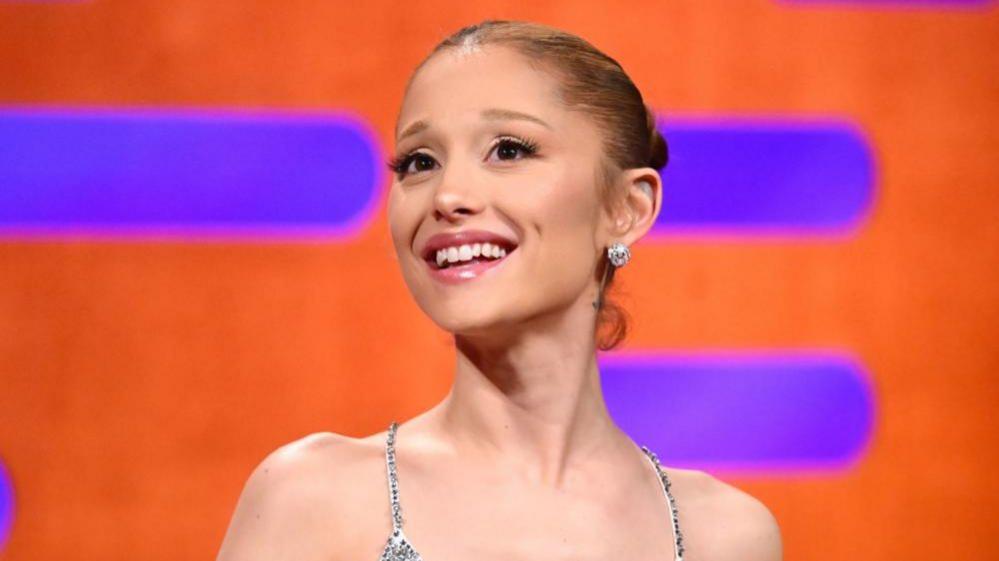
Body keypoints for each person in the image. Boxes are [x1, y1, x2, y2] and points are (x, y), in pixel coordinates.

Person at [217, 19, 782, 561]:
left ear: (627, 208)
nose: (447, 195)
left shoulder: (724, 536)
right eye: (420, 162)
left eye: (508, 150)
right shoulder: (313, 500)